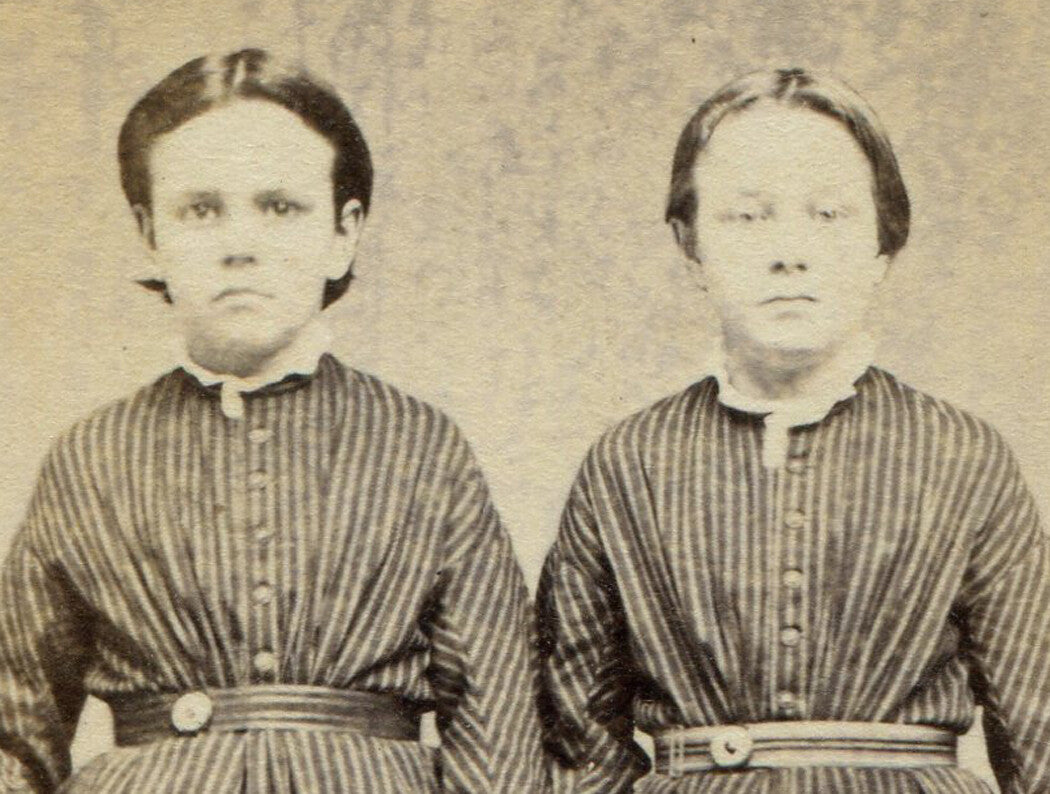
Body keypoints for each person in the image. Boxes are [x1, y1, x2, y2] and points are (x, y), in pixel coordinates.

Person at [0, 48, 546, 793]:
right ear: (149, 231)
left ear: (342, 232)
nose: (240, 245)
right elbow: (16, 731)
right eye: (200, 210)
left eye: (280, 207)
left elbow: (500, 726)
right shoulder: (91, 456)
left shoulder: (421, 446)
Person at [536, 68, 1050, 793]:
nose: (789, 252)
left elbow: (1039, 733)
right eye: (748, 217)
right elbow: (580, 740)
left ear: (883, 244)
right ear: (691, 244)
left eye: (828, 215)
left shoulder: (965, 457)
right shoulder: (628, 465)